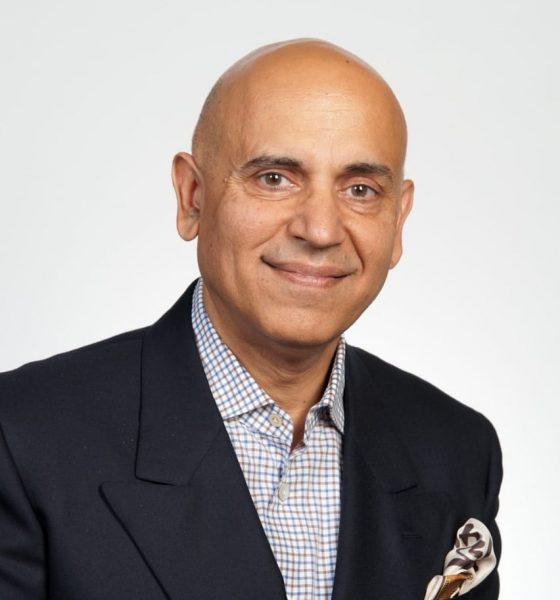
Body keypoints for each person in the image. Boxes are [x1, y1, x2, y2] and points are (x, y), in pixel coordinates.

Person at [0, 39, 502, 599]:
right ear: (192, 196)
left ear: (398, 219)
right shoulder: (21, 437)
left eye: (360, 189)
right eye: (274, 178)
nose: (320, 230)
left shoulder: (457, 450)